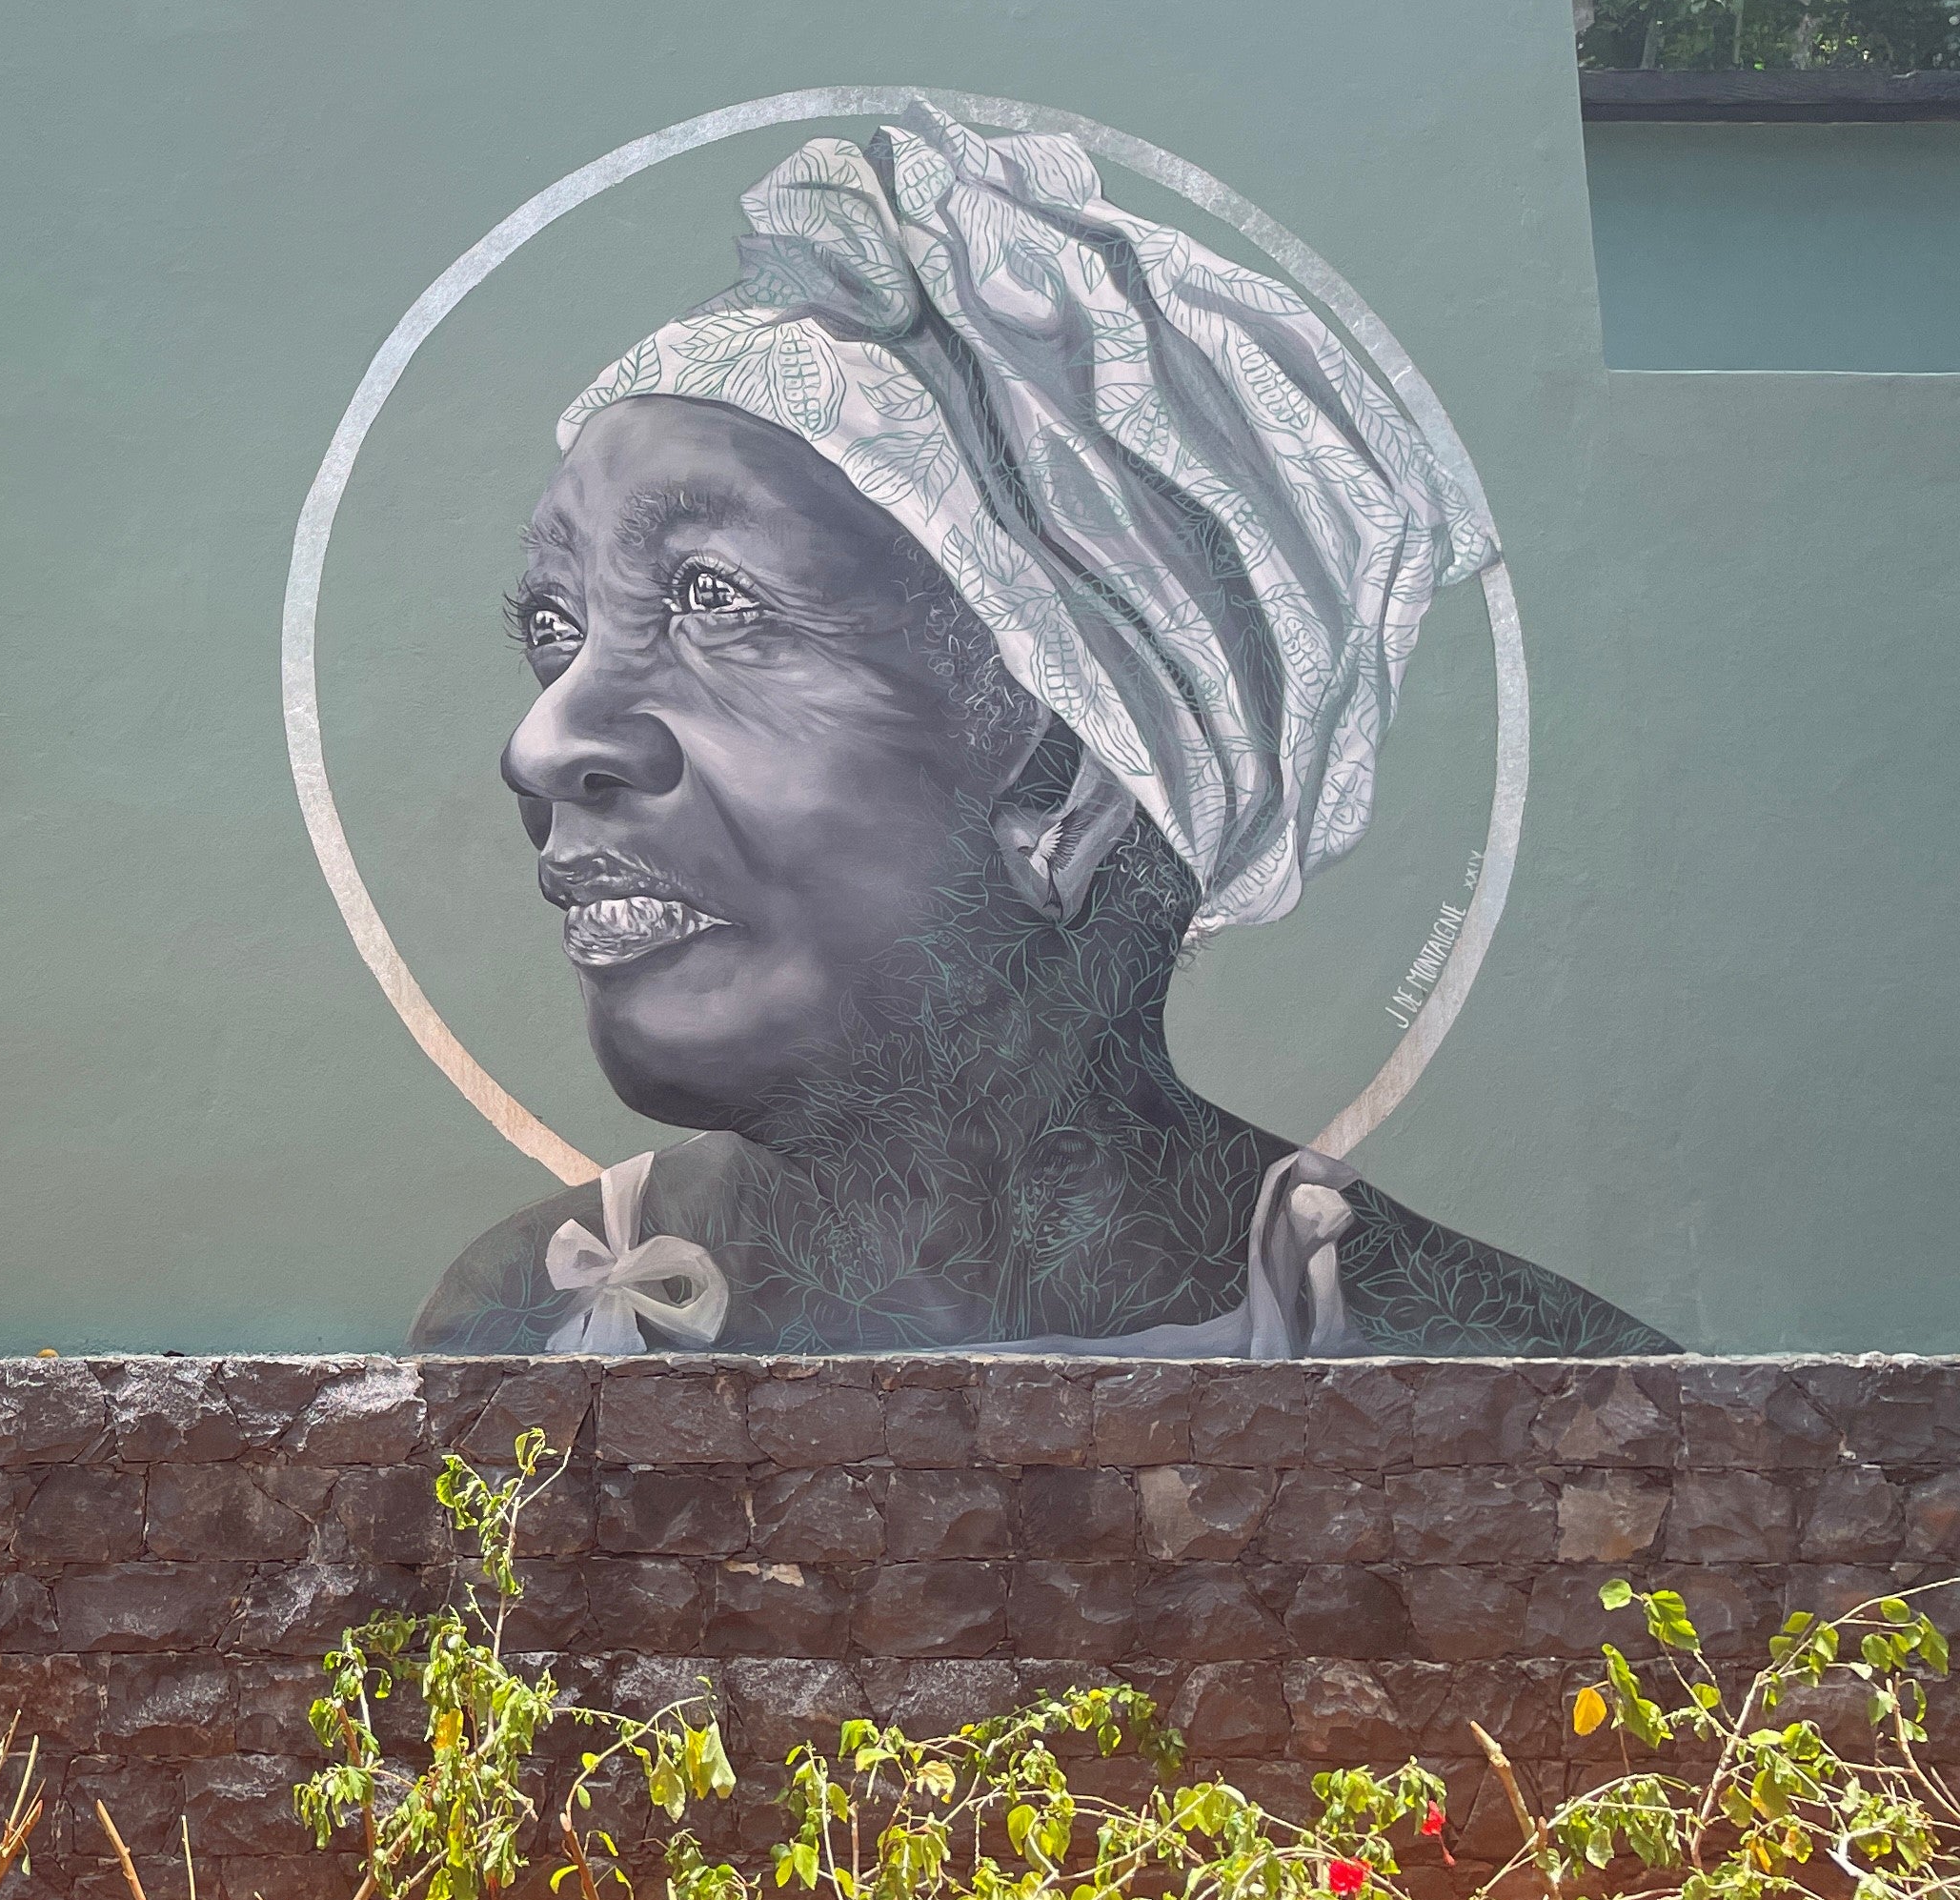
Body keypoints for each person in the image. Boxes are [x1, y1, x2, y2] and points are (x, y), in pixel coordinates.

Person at [410, 110, 1667, 1359]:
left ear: (1065, 785)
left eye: (714, 603)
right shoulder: (525, 1318)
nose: (542, 741)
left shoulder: (1503, 1376)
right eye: (555, 629)